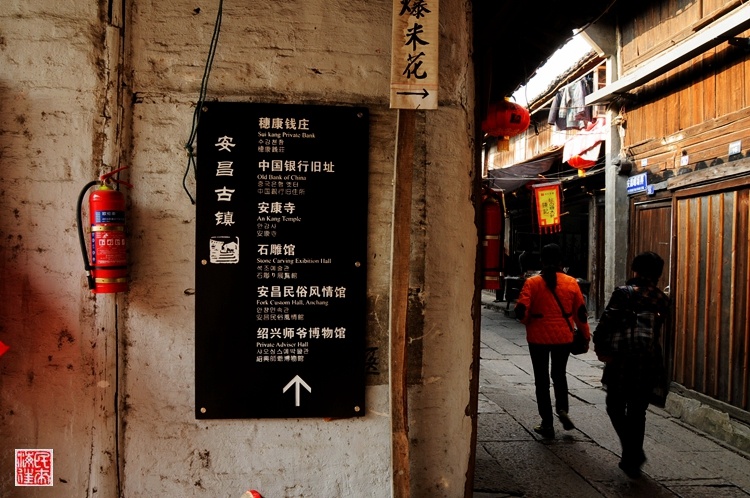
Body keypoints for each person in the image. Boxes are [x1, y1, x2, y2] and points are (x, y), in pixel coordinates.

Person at [593, 251, 670, 478]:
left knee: (614, 405)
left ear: (635, 270)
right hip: (648, 360)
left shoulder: (623, 293)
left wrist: (600, 346)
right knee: (638, 410)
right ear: (657, 274)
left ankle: (633, 452)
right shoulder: (661, 298)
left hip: (622, 360)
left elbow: (606, 322)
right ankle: (632, 458)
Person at [514, 243, 590, 439]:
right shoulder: (571, 282)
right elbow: (580, 314)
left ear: (541, 260)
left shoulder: (532, 283)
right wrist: (586, 335)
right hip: (563, 337)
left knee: (541, 380)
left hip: (537, 338)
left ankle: (547, 423)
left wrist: (529, 321)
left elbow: (521, 310)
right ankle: (562, 408)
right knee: (559, 374)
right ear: (561, 261)